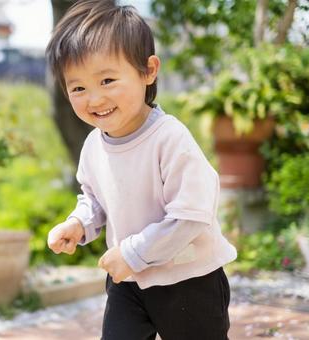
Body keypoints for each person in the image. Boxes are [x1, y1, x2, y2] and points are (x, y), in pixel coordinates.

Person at [45, 1, 237, 339]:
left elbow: (191, 216)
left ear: (148, 71)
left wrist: (133, 254)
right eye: (78, 88)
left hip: (188, 279)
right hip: (129, 281)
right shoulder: (93, 146)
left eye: (107, 80)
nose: (94, 99)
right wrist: (79, 223)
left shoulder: (169, 138)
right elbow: (94, 197)